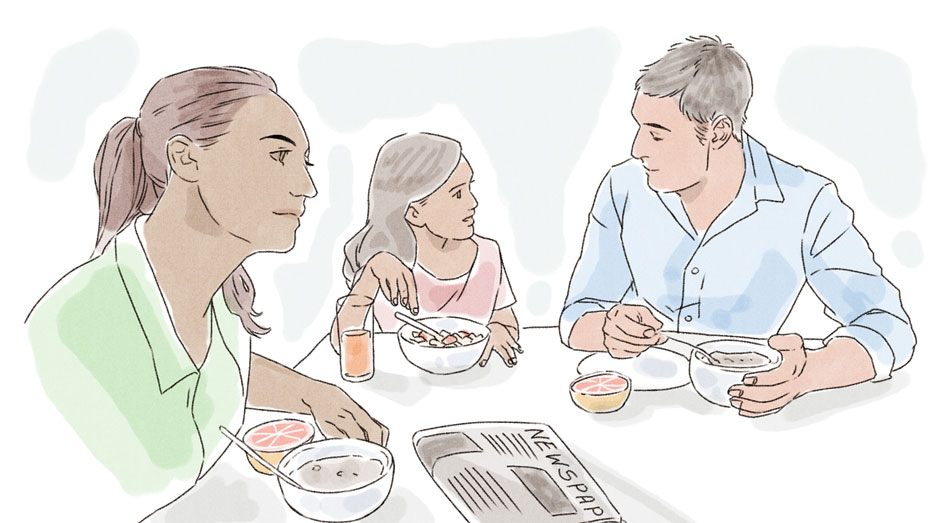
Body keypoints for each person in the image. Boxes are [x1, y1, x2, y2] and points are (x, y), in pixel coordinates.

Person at [25, 67, 387, 516]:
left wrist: (310, 393)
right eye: (278, 156)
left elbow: (209, 371)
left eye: (305, 163)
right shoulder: (69, 326)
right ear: (187, 158)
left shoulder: (220, 297)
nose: (307, 187)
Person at [560, 36, 915, 416]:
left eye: (657, 133)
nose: (637, 148)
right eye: (639, 128)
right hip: (640, 410)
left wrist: (808, 373)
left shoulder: (806, 200)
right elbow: (577, 314)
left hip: (752, 414)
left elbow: (887, 326)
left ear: (718, 131)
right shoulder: (623, 186)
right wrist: (608, 328)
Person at [331, 132, 521, 367]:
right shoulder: (386, 267)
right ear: (414, 212)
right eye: (458, 194)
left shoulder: (488, 254)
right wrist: (370, 274)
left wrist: (500, 331)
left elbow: (506, 322)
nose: (473, 203)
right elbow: (343, 344)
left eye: (469, 189)